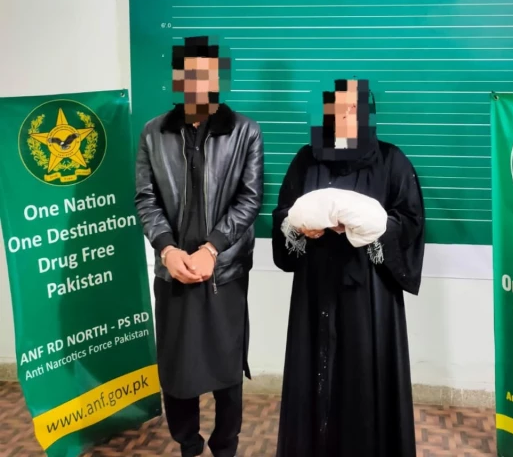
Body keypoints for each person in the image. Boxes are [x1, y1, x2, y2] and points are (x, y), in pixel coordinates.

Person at [272, 79, 425, 457]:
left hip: (370, 294)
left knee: (366, 379)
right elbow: (283, 214)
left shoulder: (391, 160)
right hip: (315, 288)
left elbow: (411, 221)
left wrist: (374, 228)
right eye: (338, 108)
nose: (345, 115)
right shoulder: (306, 159)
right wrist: (297, 227)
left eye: (354, 108)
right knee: (313, 377)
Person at [135, 36, 264, 457]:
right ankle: (188, 446)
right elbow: (146, 199)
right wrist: (168, 251)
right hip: (173, 271)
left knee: (226, 367)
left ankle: (225, 446)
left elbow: (250, 199)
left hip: (223, 271)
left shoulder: (245, 131)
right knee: (177, 370)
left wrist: (212, 250)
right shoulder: (153, 132)